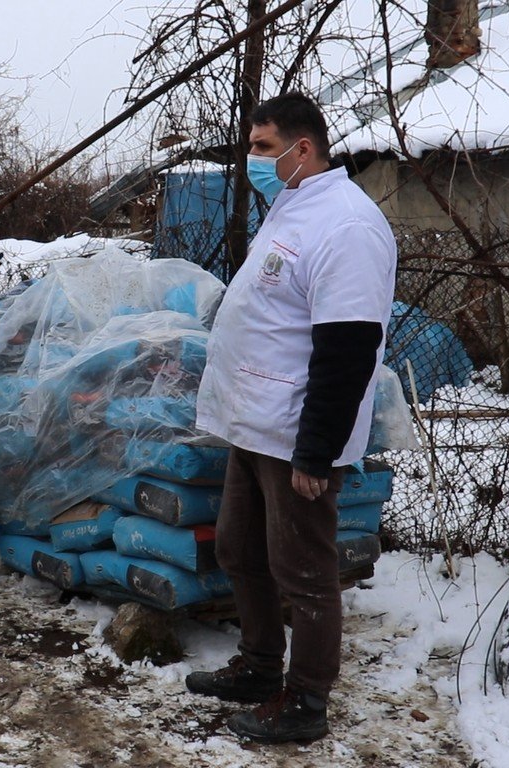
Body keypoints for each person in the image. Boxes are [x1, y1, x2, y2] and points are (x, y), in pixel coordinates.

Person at [189, 92, 397, 743]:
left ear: (301, 149)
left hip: (294, 434)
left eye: (260, 148)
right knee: (238, 548)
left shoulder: (348, 226)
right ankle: (257, 664)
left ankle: (306, 700)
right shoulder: (293, 209)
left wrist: (317, 450)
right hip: (254, 425)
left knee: (303, 571)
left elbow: (347, 349)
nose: (250, 160)